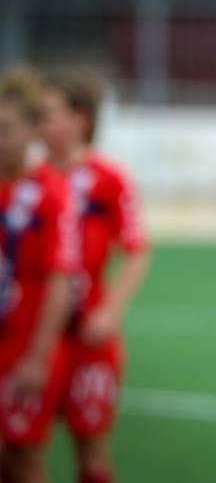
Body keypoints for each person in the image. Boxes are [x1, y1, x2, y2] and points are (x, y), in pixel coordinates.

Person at [37, 68, 150, 483]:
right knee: (18, 450)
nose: (40, 126)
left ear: (80, 119)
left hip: (87, 337)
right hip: (32, 335)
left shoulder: (108, 178)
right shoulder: (31, 181)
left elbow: (136, 249)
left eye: (48, 114)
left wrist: (108, 312)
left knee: (92, 454)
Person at [0, 67, 77, 482]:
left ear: (32, 131)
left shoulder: (49, 190)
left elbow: (59, 278)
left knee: (23, 459)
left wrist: (37, 357)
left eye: (7, 128)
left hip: (25, 347)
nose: (0, 139)